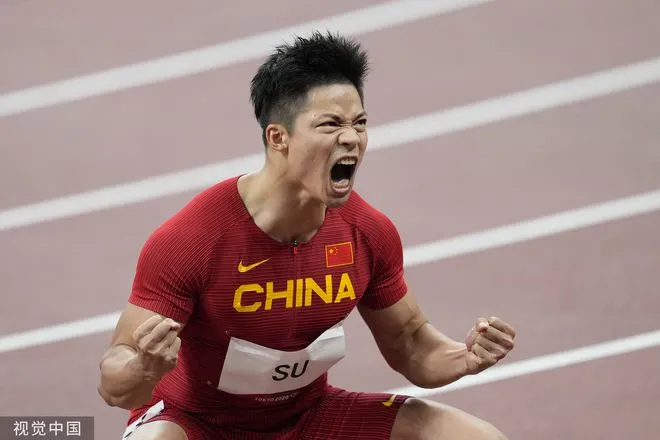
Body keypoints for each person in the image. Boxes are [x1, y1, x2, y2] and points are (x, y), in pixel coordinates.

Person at [97, 31, 516, 440]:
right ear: (278, 137)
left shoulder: (367, 233)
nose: (351, 137)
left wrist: (463, 357)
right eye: (330, 124)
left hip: (308, 419)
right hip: (196, 422)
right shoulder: (191, 240)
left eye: (359, 123)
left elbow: (409, 343)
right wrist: (143, 368)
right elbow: (115, 385)